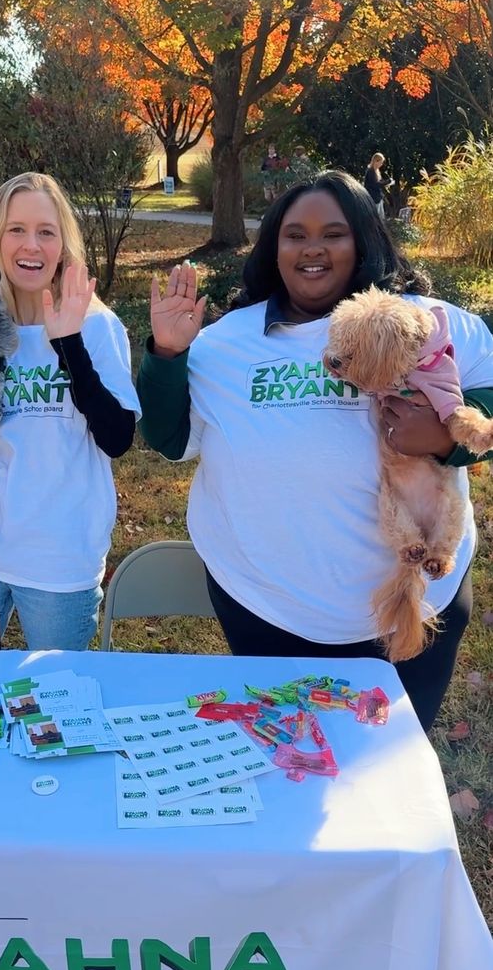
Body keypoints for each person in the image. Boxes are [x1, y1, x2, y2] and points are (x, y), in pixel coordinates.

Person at [137, 170, 493, 732]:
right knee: (290, 763)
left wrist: (446, 438)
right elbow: (170, 440)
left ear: (363, 240)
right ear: (274, 247)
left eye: (333, 233)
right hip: (265, 608)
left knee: (384, 781)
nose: (313, 249)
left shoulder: (421, 320)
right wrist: (165, 354)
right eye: (294, 235)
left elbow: (486, 403)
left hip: (418, 606)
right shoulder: (230, 341)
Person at [0, 172, 140, 651]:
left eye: (46, 231)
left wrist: (67, 342)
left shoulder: (97, 326)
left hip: (59, 559)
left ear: (63, 243)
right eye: (16, 229)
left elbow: (118, 438)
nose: (32, 244)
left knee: (57, 699)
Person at [364, 152, 394, 219]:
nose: (381, 164)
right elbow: (375, 184)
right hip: (373, 198)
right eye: (381, 162)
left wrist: (387, 182)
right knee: (376, 218)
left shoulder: (376, 171)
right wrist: (388, 181)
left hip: (378, 197)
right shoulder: (370, 171)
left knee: (381, 218)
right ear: (376, 161)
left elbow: (379, 182)